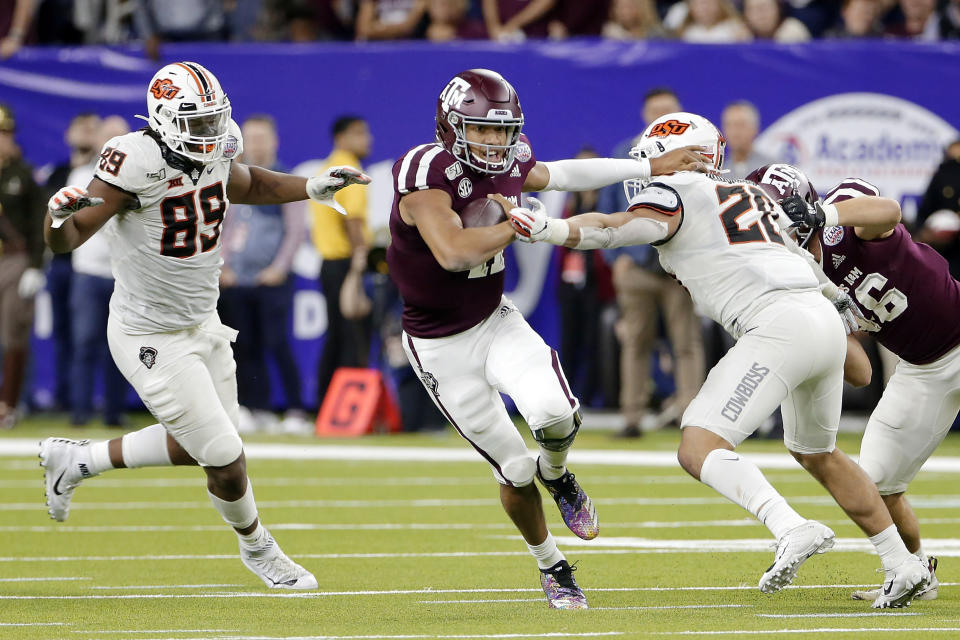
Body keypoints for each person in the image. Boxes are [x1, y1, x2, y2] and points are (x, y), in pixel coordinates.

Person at [503, 111, 930, 609]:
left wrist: (551, 228)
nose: (645, 169)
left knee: (698, 444)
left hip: (775, 323)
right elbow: (853, 354)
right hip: (818, 319)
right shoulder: (759, 200)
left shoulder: (678, 190)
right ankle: (903, 564)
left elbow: (614, 228)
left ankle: (790, 525)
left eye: (652, 158)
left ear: (685, 158)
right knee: (819, 453)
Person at [39, 61, 370, 589]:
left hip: (202, 321)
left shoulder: (216, 145)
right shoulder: (133, 160)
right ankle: (259, 549)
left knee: (200, 443)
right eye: (198, 123)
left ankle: (78, 462)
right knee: (222, 452)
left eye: (216, 121)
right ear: (164, 119)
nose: (211, 134)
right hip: (148, 331)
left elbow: (251, 185)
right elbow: (70, 239)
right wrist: (56, 220)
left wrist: (310, 187)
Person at [388, 68, 707, 609]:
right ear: (450, 125)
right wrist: (517, 227)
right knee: (513, 470)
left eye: (502, 131)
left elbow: (558, 174)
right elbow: (454, 252)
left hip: (494, 319)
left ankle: (557, 475)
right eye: (482, 131)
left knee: (555, 414)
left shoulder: (511, 159)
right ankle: (553, 566)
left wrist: (648, 165)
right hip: (439, 345)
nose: (495, 142)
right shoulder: (425, 171)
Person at [756, 163, 959, 603]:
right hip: (921, 368)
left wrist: (822, 217)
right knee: (877, 485)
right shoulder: (795, 277)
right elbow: (861, 372)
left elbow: (888, 211)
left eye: (770, 217)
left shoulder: (839, 218)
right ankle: (916, 573)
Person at [599, 87, 706, 437]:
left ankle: (691, 415)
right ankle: (632, 416)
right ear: (646, 116)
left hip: (680, 266)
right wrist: (616, 258)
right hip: (638, 263)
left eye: (668, 111)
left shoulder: (695, 154)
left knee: (687, 342)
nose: (661, 116)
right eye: (655, 110)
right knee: (635, 341)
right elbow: (607, 207)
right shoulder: (624, 154)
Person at [218, 115, 310, 434]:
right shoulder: (232, 178)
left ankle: (297, 410)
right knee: (243, 347)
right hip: (235, 279)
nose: (256, 145)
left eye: (261, 138)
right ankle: (256, 408)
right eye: (250, 138)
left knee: (277, 343)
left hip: (271, 280)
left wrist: (278, 269)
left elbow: (296, 231)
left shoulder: (285, 179)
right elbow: (222, 228)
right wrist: (222, 266)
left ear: (275, 142)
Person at [67, 115, 131, 427]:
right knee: (84, 344)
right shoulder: (81, 174)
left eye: (121, 137)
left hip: (125, 276)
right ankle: (79, 413)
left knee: (120, 349)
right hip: (89, 272)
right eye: (110, 136)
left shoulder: (139, 176)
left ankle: (114, 414)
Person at [311, 115, 373, 406]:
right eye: (358, 133)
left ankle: (326, 402)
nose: (367, 139)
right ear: (341, 138)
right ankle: (346, 406)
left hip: (330, 264)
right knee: (352, 337)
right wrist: (362, 256)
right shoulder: (348, 168)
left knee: (337, 335)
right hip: (347, 263)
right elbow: (353, 219)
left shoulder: (328, 167)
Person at [43, 113, 103, 411]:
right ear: (68, 134)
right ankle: (65, 398)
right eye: (81, 128)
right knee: (66, 334)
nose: (87, 134)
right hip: (61, 262)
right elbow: (45, 217)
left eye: (93, 129)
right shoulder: (57, 173)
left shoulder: (104, 175)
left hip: (91, 262)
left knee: (92, 337)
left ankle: (97, 404)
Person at [0, 103, 46, 429]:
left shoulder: (22, 173)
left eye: (6, 133)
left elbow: (37, 222)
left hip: (13, 261)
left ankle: (8, 405)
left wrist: (35, 266)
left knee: (13, 332)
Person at [721, 101, 777, 180]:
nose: (734, 132)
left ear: (754, 129)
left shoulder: (773, 170)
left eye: (740, 125)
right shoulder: (719, 172)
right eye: (729, 125)